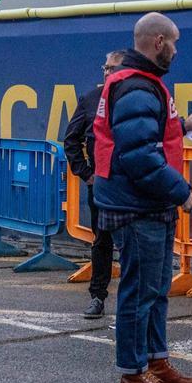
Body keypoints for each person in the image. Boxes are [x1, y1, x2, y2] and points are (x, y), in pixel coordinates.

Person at [93, 12, 192, 383]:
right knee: (140, 292)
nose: (176, 50)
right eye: (173, 42)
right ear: (158, 42)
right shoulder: (138, 87)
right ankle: (132, 374)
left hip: (145, 204)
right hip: (138, 205)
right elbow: (140, 155)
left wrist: (183, 126)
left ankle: (156, 362)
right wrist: (183, 193)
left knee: (155, 290)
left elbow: (148, 134)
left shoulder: (142, 85)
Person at [63, 49, 128, 320]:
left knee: (130, 246)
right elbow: (71, 140)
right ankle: (97, 296)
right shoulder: (90, 99)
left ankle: (130, 303)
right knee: (101, 241)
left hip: (130, 186)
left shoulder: (136, 98)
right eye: (105, 67)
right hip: (100, 185)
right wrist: (86, 174)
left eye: (113, 68)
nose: (106, 72)